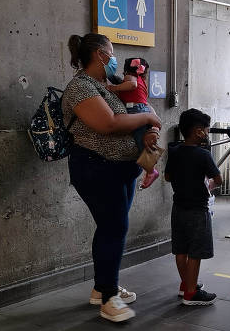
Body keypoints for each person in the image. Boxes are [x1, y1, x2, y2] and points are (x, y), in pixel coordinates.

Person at [63, 33, 162, 322]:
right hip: (96, 168)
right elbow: (108, 124)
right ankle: (109, 299)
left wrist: (149, 129)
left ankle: (101, 288)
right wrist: (147, 120)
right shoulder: (81, 88)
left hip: (121, 169)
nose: (115, 58)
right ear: (101, 55)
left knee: (112, 227)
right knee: (113, 227)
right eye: (112, 53)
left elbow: (132, 111)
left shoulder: (104, 86)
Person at [165, 108, 221, 306]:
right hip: (198, 210)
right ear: (198, 131)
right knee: (196, 252)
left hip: (178, 207)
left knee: (181, 249)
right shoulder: (203, 155)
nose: (207, 134)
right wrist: (208, 185)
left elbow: (168, 177)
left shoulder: (174, 150)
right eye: (206, 130)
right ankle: (191, 293)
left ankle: (185, 285)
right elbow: (218, 179)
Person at [106, 57, 161, 189]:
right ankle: (150, 170)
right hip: (140, 108)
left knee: (143, 142)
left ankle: (151, 171)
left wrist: (113, 88)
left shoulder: (131, 78)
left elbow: (132, 85)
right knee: (144, 140)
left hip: (136, 110)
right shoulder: (141, 79)